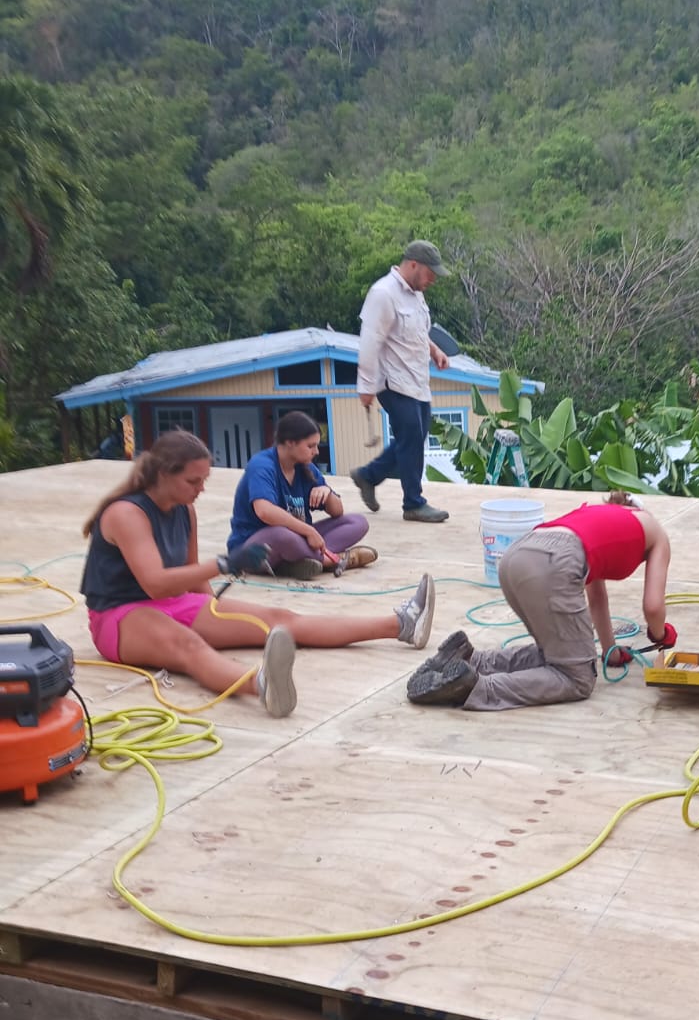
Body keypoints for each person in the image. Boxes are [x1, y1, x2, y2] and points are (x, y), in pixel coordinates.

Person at [80, 430, 436, 718]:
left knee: (281, 619)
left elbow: (190, 573)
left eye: (204, 479)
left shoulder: (185, 510)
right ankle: (262, 685)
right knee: (189, 646)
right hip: (120, 615)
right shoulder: (126, 514)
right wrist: (225, 563)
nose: (201, 489)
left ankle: (401, 624)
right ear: (163, 475)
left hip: (175, 603)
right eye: (193, 481)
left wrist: (214, 611)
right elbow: (155, 583)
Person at [406, 491, 675, 711]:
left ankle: (472, 659)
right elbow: (653, 607)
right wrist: (660, 634)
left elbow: (597, 599)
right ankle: (474, 687)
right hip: (556, 564)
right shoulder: (656, 532)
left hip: (515, 557)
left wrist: (611, 653)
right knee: (578, 678)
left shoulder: (597, 516)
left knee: (558, 656)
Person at [351, 240, 453, 524]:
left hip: (417, 380)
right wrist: (366, 386)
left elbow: (418, 332)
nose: (432, 279)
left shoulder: (416, 295)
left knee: (414, 438)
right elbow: (370, 342)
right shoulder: (383, 294)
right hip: (392, 381)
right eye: (430, 273)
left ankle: (368, 475)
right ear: (413, 265)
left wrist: (435, 350)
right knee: (411, 438)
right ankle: (413, 503)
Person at [226, 411, 377, 580]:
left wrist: (327, 493)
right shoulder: (262, 466)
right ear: (290, 443)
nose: (316, 451)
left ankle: (298, 562)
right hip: (255, 547)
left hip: (299, 540)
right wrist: (308, 530)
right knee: (281, 535)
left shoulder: (305, 467)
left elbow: (337, 512)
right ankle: (334, 560)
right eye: (310, 446)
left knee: (357, 522)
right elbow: (264, 511)